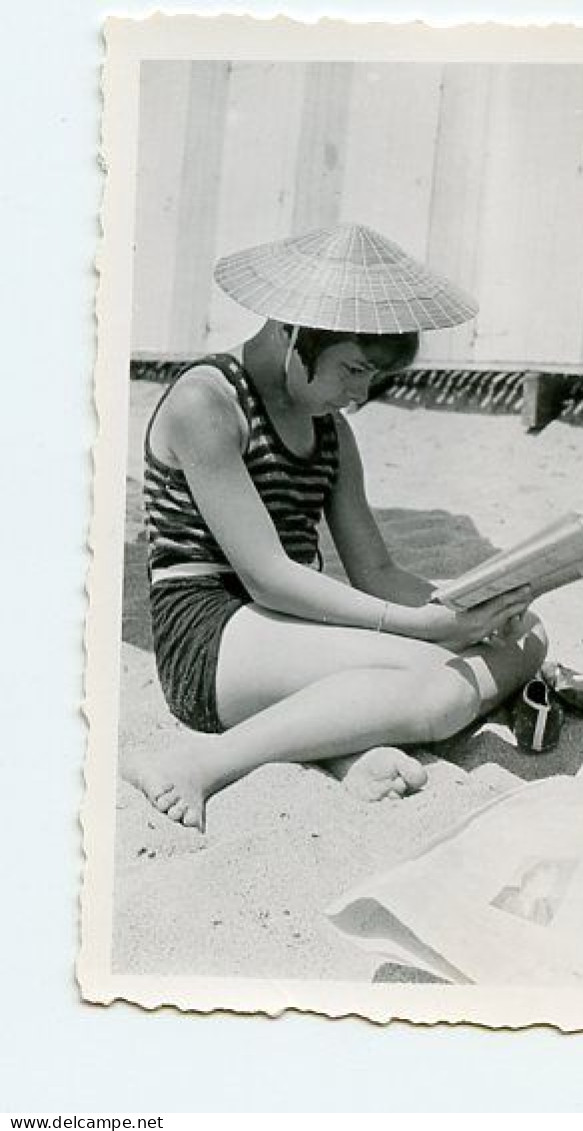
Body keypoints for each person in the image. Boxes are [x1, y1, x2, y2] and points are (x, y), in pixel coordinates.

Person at [124, 223, 547, 831]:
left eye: (371, 377)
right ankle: (202, 761)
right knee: (443, 687)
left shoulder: (331, 432)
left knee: (527, 637)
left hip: (293, 628)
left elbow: (374, 570)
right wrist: (420, 627)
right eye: (352, 369)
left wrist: (477, 603)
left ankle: (343, 746)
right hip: (214, 633)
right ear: (295, 333)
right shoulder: (208, 403)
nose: (359, 393)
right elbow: (267, 577)